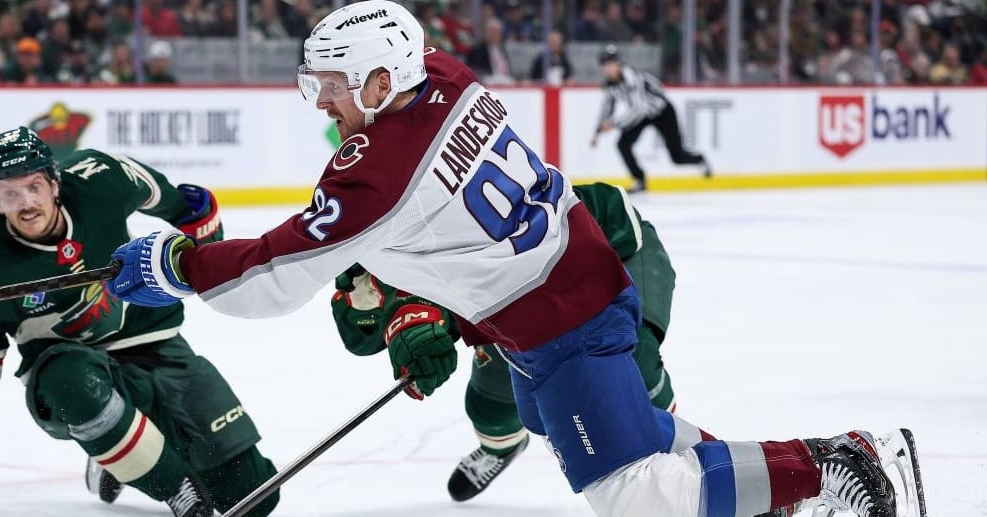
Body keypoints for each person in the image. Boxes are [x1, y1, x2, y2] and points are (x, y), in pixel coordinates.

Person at [105, 3, 922, 516]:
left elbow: (273, 278)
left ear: (383, 77)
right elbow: (418, 224)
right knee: (610, 432)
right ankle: (773, 491)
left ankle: (832, 463)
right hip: (568, 284)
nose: (321, 101)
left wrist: (176, 264)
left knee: (631, 495)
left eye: (332, 85)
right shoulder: (446, 75)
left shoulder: (378, 171)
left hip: (561, 316)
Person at [0, 127, 279, 517]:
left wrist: (200, 228)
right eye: (8, 193)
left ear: (54, 183)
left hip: (153, 341)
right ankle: (173, 485)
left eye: (34, 186)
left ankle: (114, 452)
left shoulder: (100, 178)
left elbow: (171, 201)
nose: (25, 203)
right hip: (67, 377)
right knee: (74, 381)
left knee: (254, 496)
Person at [329, 181, 679, 502]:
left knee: (635, 360)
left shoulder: (450, 222)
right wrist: (386, 310)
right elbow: (359, 338)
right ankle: (500, 448)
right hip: (520, 295)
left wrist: (414, 307)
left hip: (612, 247)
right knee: (490, 407)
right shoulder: (379, 267)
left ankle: (674, 455)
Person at [593, 44, 709, 193]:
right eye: (605, 65)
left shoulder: (632, 77)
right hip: (643, 115)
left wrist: (614, 123)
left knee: (677, 156)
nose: (608, 68)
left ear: (619, 63)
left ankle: (699, 159)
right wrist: (597, 131)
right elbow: (608, 106)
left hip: (662, 112)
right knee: (623, 144)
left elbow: (638, 108)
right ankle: (640, 179)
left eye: (611, 63)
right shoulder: (609, 84)